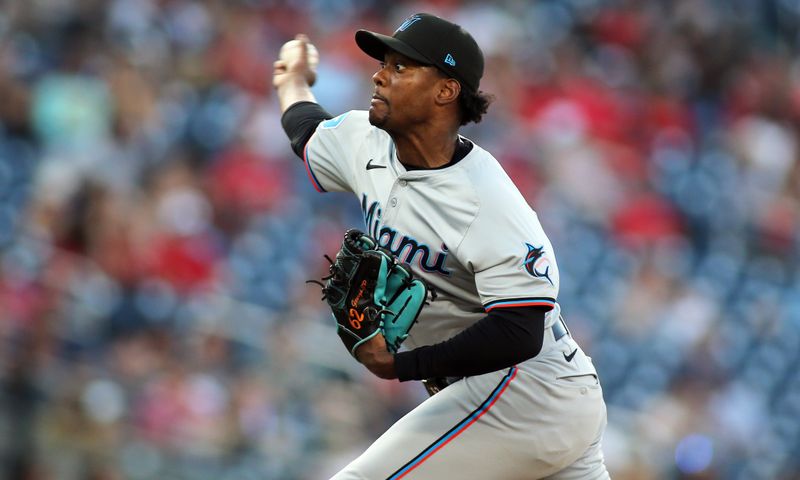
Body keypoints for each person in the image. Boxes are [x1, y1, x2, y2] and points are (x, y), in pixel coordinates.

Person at [274, 13, 610, 480]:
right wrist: (292, 80)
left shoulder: (484, 199)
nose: (379, 74)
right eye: (383, 63)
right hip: (540, 401)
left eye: (400, 67)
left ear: (445, 91)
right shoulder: (364, 142)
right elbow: (305, 129)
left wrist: (400, 365)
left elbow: (520, 330)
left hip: (526, 390)